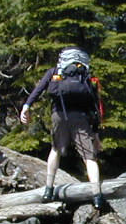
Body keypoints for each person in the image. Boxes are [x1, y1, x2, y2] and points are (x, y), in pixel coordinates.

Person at [20, 47, 105, 209]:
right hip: (81, 118)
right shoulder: (86, 76)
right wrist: (96, 132)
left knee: (55, 150)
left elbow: (38, 89)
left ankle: (48, 190)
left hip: (59, 115)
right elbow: (94, 106)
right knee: (89, 157)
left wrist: (26, 106)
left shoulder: (55, 72)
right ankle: (97, 195)